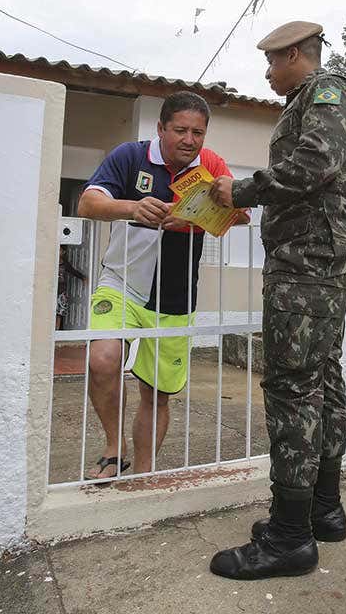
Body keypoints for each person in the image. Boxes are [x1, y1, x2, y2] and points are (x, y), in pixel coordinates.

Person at [207, 21, 346, 580]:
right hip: (320, 260)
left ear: (296, 54)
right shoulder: (321, 95)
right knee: (321, 376)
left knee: (292, 385)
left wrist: (241, 190)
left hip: (308, 263)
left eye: (273, 62)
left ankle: (290, 536)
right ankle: (322, 510)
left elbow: (314, 164)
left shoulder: (328, 90)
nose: (268, 73)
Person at [76, 91, 245, 479]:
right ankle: (113, 450)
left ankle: (145, 473)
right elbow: (88, 203)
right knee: (102, 360)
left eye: (198, 132)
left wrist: (196, 215)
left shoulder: (211, 164)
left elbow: (241, 216)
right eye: (181, 130)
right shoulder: (130, 156)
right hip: (122, 284)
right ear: (161, 128)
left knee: (157, 392)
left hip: (175, 295)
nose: (190, 140)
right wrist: (132, 207)